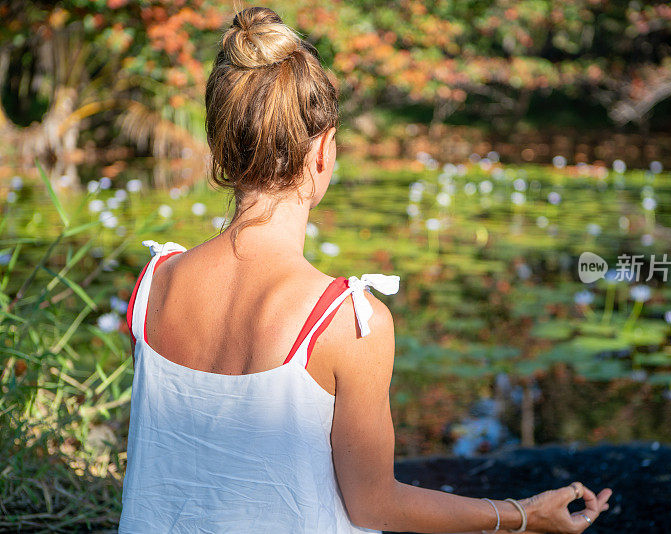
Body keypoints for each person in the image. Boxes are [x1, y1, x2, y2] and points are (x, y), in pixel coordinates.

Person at [118, 6, 613, 533]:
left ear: (219, 145)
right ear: (324, 154)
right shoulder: (346, 323)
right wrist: (523, 516)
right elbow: (374, 504)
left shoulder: (153, 286)